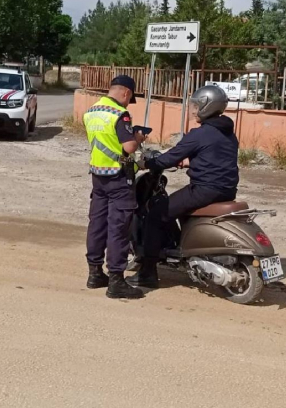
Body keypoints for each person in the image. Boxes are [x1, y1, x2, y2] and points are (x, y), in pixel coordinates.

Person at [130, 85, 239, 289]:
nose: (193, 110)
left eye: (196, 106)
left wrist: (147, 164)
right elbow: (217, 157)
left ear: (207, 107)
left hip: (204, 189)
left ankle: (147, 274)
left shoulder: (200, 133)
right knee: (174, 209)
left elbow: (169, 157)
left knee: (154, 213)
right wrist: (190, 162)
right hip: (227, 189)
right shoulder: (228, 132)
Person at [84, 75, 147, 299]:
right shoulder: (121, 114)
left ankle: (94, 273)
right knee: (118, 228)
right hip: (119, 178)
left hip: (98, 175)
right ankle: (116, 281)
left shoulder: (91, 111)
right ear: (126, 93)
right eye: (130, 99)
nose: (129, 103)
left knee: (97, 224)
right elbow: (128, 147)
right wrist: (138, 137)